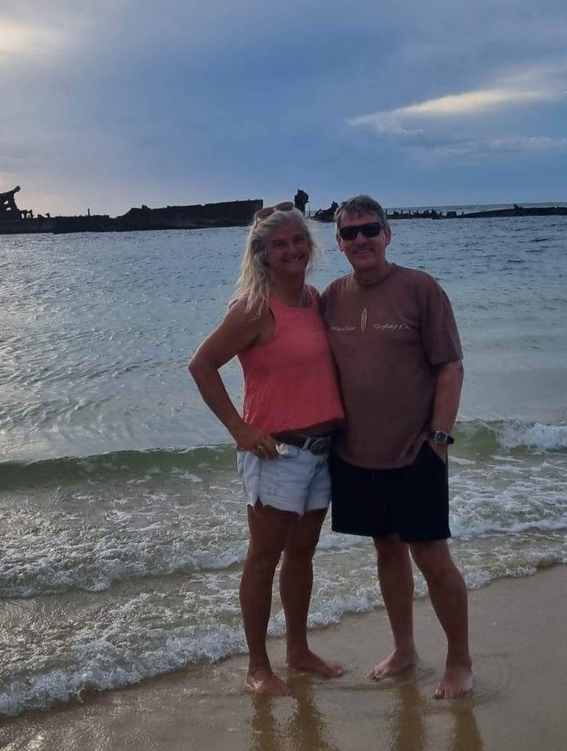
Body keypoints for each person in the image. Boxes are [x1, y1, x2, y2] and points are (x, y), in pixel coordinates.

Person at [320, 194, 473, 699]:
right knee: (387, 550)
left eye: (369, 230)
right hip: (356, 453)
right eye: (349, 233)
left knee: (432, 557)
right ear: (338, 242)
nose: (360, 240)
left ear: (388, 234)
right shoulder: (332, 298)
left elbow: (450, 366)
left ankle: (460, 663)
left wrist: (441, 438)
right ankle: (404, 649)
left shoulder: (420, 288)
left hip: (416, 449)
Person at [189, 202, 344, 696]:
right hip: (277, 452)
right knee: (264, 557)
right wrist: (239, 428)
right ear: (263, 254)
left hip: (322, 451)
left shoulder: (314, 300)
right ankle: (258, 666)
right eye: (280, 244)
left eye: (299, 240)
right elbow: (202, 365)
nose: (292, 250)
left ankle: (297, 651)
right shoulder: (254, 309)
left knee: (303, 553)